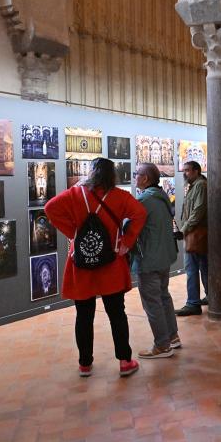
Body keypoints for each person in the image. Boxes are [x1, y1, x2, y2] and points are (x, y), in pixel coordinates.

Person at [45, 158, 146, 378]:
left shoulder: (75, 193)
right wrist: (126, 242)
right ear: (112, 175)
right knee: (117, 313)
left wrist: (73, 233)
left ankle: (85, 364)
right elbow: (139, 213)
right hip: (110, 263)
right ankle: (125, 362)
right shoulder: (120, 196)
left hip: (82, 263)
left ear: (91, 172)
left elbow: (50, 208)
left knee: (83, 315)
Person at [131, 163, 181, 359]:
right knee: (163, 296)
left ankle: (162, 345)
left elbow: (131, 226)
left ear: (144, 178)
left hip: (149, 259)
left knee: (152, 302)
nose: (134, 177)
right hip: (163, 256)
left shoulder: (144, 200)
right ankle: (172, 336)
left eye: (137, 174)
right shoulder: (161, 198)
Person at [175, 161, 209, 316]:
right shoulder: (195, 185)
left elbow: (198, 211)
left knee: (192, 269)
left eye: (188, 170)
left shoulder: (201, 185)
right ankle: (211, 296)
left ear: (196, 171)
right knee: (203, 267)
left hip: (196, 233)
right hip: (195, 232)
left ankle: (193, 303)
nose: (185, 173)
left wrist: (183, 230)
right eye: (184, 170)